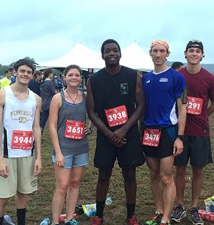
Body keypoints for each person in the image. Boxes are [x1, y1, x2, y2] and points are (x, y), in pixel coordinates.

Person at [86, 39, 145, 225]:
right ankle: (99, 215)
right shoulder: (93, 80)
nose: (111, 53)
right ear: (102, 55)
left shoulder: (132, 75)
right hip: (106, 136)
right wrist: (109, 133)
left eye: (115, 50)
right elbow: (91, 112)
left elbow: (141, 105)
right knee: (103, 175)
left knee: (130, 175)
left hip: (128, 135)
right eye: (107, 51)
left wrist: (124, 129)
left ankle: (131, 216)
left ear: (120, 53)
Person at [0, 58, 42, 225]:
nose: (25, 74)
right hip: (7, 153)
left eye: (29, 72)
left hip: (27, 153)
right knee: (3, 196)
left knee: (23, 193)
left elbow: (36, 128)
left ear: (32, 75)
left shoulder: (36, 99)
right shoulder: (2, 95)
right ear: (15, 72)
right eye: (22, 71)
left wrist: (39, 157)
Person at [172, 40, 214, 225]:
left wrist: (203, 115)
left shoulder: (209, 78)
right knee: (180, 169)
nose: (194, 54)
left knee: (198, 169)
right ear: (185, 54)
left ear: (202, 55)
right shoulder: (178, 76)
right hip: (181, 131)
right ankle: (179, 205)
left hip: (200, 131)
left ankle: (193, 207)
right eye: (191, 51)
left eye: (197, 51)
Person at [142, 39, 187, 225]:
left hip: (167, 132)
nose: (158, 54)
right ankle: (159, 210)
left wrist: (180, 137)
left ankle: (166, 217)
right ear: (150, 53)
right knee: (153, 174)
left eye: (162, 51)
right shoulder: (145, 78)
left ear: (167, 54)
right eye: (155, 51)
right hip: (148, 133)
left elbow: (182, 108)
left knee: (166, 176)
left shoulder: (176, 77)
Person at [49, 64, 90, 225]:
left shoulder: (85, 97)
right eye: (71, 75)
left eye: (77, 75)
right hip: (63, 149)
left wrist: (90, 128)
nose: (74, 78)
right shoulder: (58, 98)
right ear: (64, 78)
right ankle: (54, 221)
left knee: (74, 183)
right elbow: (52, 126)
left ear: (81, 78)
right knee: (62, 185)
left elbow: (94, 113)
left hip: (81, 148)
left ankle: (69, 217)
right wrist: (58, 152)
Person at [40, 68, 56, 133]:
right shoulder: (49, 82)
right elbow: (54, 92)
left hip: (44, 103)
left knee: (43, 121)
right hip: (50, 104)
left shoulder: (43, 83)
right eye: (51, 73)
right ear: (49, 74)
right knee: (54, 120)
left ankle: (39, 134)